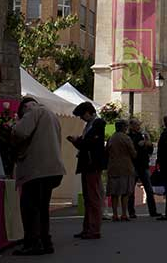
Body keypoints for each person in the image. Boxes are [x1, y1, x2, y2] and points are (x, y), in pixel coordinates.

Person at [12, 96, 65, 256]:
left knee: (30, 207)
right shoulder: (51, 114)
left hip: (36, 169)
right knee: (42, 208)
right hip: (52, 168)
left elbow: (20, 132)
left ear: (24, 107)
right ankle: (45, 242)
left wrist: (13, 128)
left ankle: (33, 243)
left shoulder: (32, 111)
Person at [67, 101, 106, 240]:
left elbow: (89, 143)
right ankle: (88, 227)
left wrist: (77, 141)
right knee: (89, 198)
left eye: (81, 115)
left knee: (93, 197)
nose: (81, 118)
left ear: (88, 113)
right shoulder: (91, 125)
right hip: (89, 164)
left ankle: (94, 229)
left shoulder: (97, 124)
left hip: (91, 164)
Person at [106, 119, 137, 222]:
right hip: (125, 167)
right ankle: (124, 214)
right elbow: (133, 153)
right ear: (124, 127)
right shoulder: (126, 138)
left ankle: (115, 214)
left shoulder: (111, 138)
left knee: (114, 193)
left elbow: (106, 152)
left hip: (113, 167)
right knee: (125, 192)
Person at [127, 118, 159, 218]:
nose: (139, 126)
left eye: (139, 125)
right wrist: (138, 144)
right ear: (131, 126)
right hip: (133, 165)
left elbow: (150, 150)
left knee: (149, 189)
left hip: (143, 165)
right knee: (131, 190)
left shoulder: (143, 135)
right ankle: (131, 212)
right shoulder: (128, 137)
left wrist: (148, 143)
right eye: (136, 125)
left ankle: (153, 211)